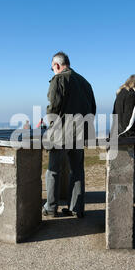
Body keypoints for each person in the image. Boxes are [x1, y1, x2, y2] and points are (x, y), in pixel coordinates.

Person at [42, 51, 96, 218]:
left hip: (61, 135)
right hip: (80, 134)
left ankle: (51, 208)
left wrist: (49, 123)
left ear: (57, 66)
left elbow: (54, 106)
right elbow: (92, 109)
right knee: (77, 171)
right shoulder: (85, 82)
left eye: (52, 68)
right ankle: (76, 208)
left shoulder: (59, 79)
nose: (53, 71)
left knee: (53, 171)